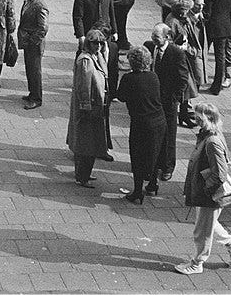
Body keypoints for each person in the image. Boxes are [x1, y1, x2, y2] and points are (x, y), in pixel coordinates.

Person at [174, 102, 231, 275]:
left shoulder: (211, 141)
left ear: (207, 118)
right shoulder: (212, 135)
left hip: (210, 195)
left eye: (198, 116)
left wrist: (206, 191)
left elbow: (220, 174)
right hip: (209, 193)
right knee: (210, 224)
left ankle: (198, 262)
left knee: (202, 230)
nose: (195, 119)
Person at [115, 46, 166, 204]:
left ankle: (137, 191)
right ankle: (152, 184)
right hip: (159, 120)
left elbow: (121, 97)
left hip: (141, 123)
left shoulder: (129, 79)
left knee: (138, 156)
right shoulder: (154, 76)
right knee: (156, 153)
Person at [147, 24, 188, 184]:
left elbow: (183, 78)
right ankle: (155, 162)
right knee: (155, 132)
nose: (153, 39)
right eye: (152, 36)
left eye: (156, 37)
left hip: (169, 100)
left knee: (169, 134)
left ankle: (167, 167)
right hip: (154, 99)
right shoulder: (151, 47)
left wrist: (174, 99)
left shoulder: (176, 53)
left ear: (167, 37)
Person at [68, 30, 109, 187]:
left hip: (95, 107)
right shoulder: (85, 60)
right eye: (95, 43)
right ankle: (82, 176)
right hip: (88, 108)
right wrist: (86, 106)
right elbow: (84, 86)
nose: (98, 46)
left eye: (100, 43)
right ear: (88, 43)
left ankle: (84, 173)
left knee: (89, 142)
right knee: (86, 143)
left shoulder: (95, 57)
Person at [19, 0, 48, 109]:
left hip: (35, 44)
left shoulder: (40, 6)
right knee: (30, 69)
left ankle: (36, 99)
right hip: (28, 42)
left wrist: (32, 41)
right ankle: (32, 94)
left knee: (35, 71)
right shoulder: (28, 2)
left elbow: (43, 28)